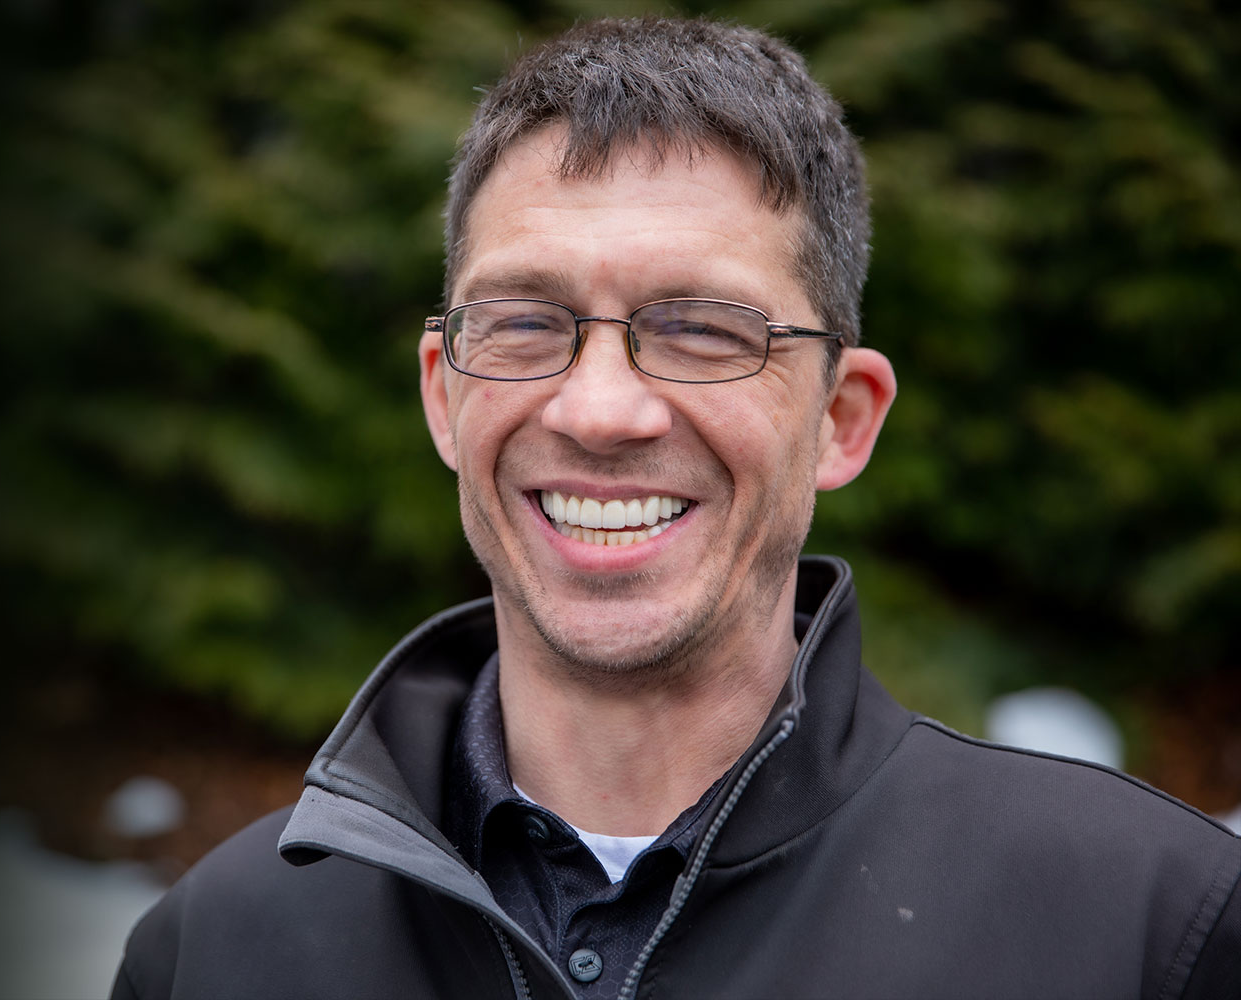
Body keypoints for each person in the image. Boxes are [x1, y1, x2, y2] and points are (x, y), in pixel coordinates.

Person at [112, 16, 1240, 1000]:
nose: (600, 410)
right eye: (525, 323)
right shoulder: (215, 951)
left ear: (840, 419)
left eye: (702, 329)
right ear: (444, 396)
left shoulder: (1150, 931)